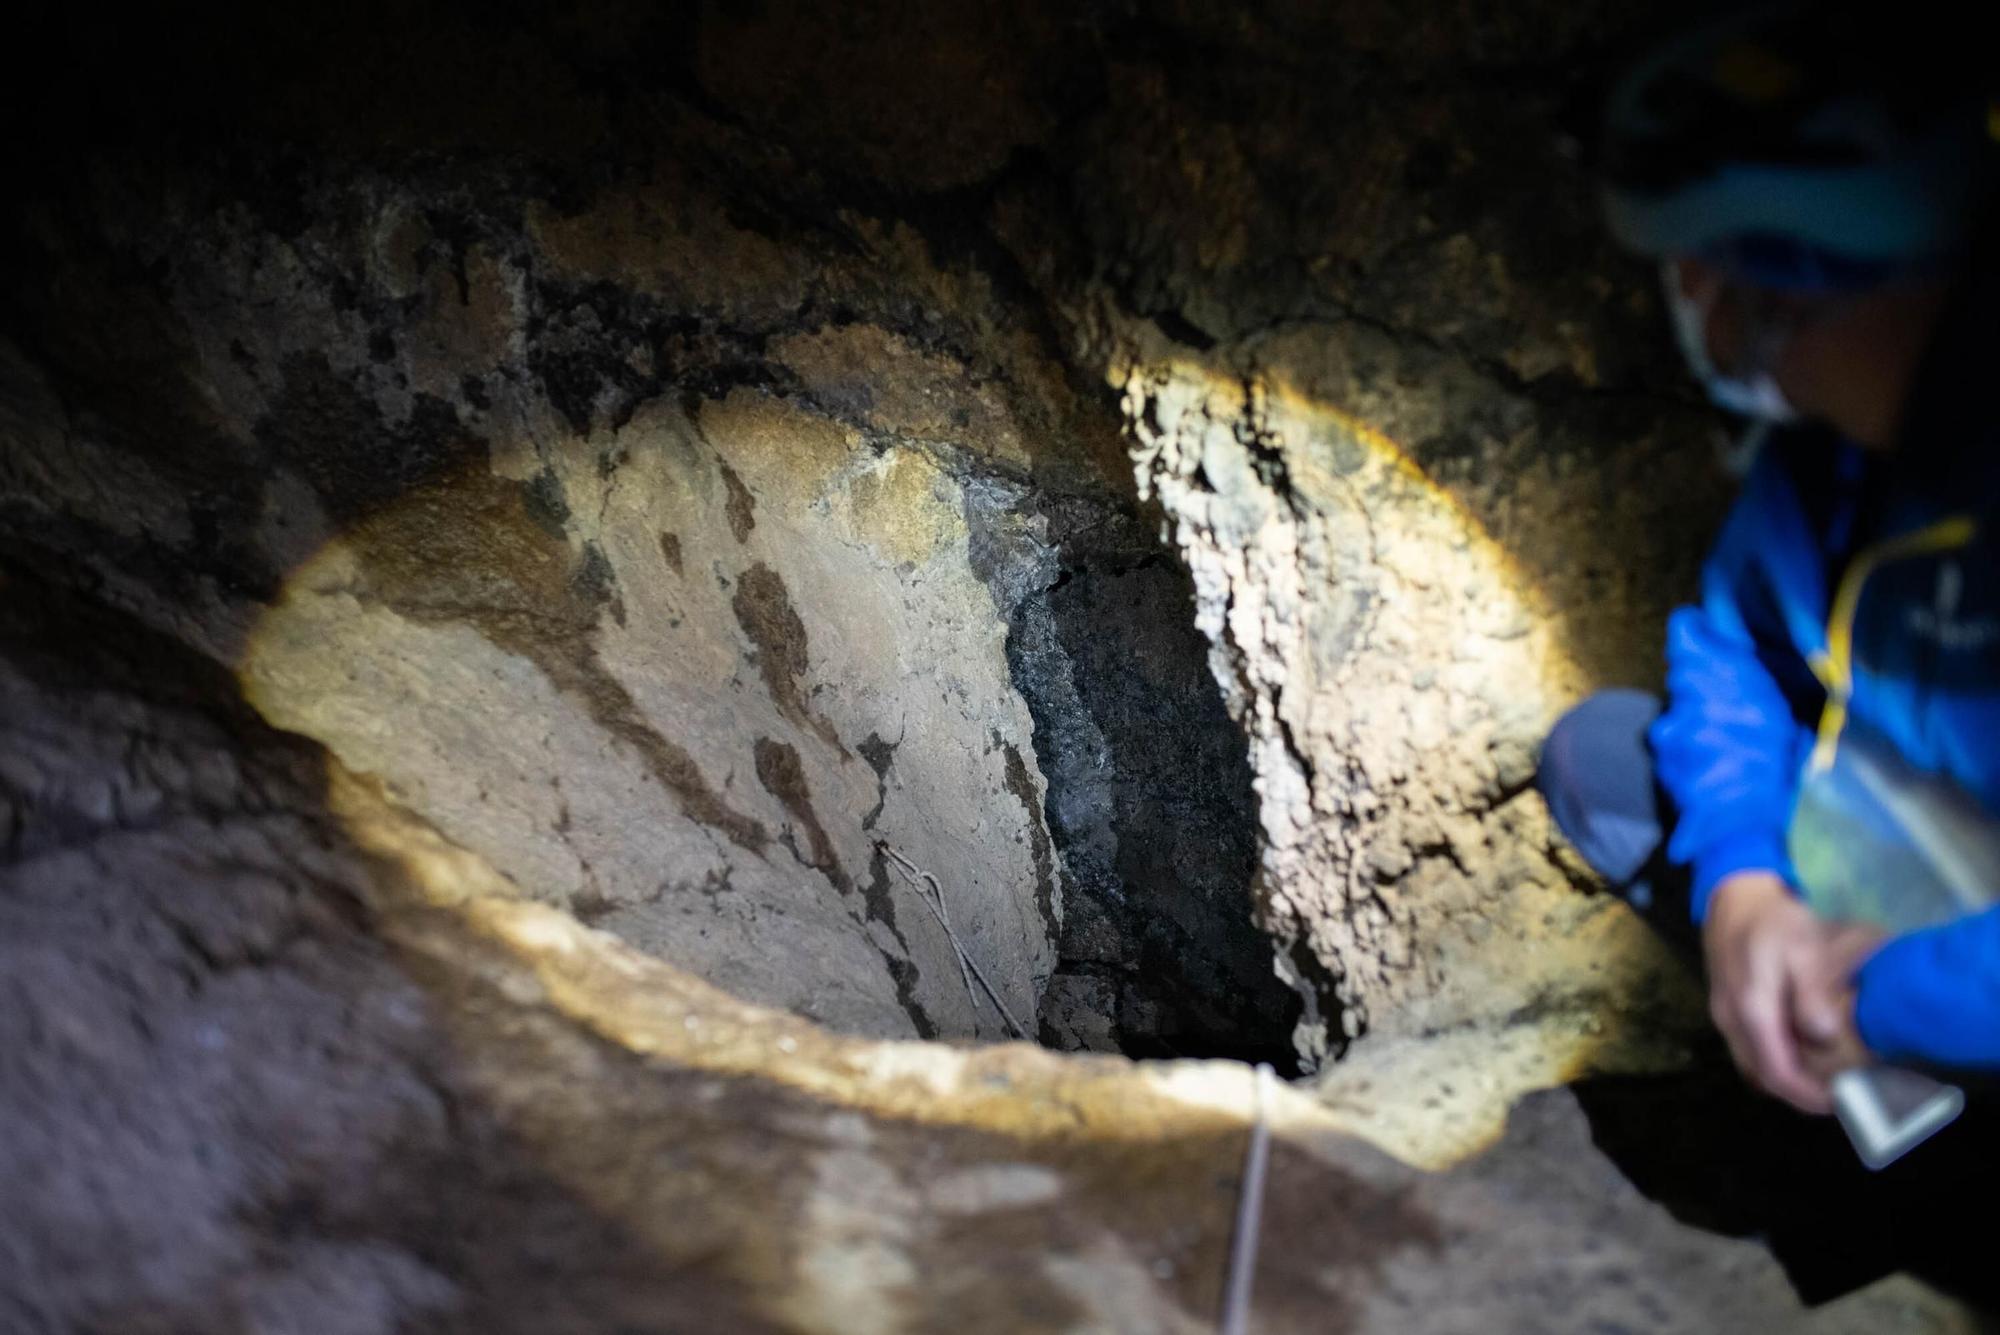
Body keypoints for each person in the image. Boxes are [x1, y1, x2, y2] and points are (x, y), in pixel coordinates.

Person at [1538, 2, 1998, 1118]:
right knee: (1601, 759)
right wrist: (1742, 882)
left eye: (1686, 267)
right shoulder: (1819, 462)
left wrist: (1878, 1003)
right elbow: (1726, 647)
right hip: (1884, 875)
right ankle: (1816, 1085)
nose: (1681, 300)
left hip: (1933, 977)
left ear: (1756, 285)